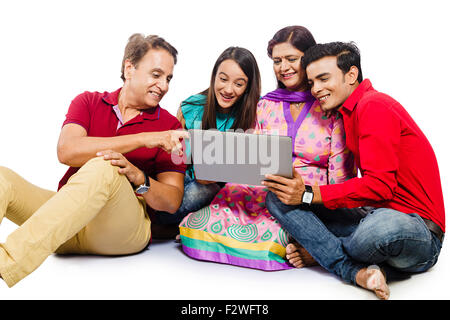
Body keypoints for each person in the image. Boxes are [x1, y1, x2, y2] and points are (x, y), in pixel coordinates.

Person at [0, 33, 189, 287]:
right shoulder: (88, 102)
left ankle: (7, 260)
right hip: (65, 224)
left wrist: (139, 177)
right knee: (2, 178)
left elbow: (173, 201)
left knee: (106, 166)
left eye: (168, 78)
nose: (164, 85)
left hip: (119, 231)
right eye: (156, 75)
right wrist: (144, 138)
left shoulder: (170, 126)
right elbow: (67, 151)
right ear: (129, 68)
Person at [264, 42, 445, 300]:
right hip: (373, 214)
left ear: (351, 75)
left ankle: (326, 254)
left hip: (417, 233)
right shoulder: (348, 113)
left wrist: (308, 195)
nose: (315, 89)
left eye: (323, 79)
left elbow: (379, 186)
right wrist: (299, 192)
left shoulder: (373, 105)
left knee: (377, 229)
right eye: (312, 81)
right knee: (278, 195)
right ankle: (358, 270)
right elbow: (367, 195)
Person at [179, 26, 356, 270]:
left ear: (310, 59)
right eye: (277, 61)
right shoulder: (266, 105)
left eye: (292, 59)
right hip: (261, 189)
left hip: (306, 196)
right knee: (197, 227)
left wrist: (318, 199)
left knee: (277, 233)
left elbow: (340, 177)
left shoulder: (329, 104)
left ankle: (315, 245)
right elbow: (250, 158)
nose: (284, 67)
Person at [152, 46, 261, 237]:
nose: (228, 89)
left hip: (214, 189)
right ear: (214, 76)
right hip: (182, 176)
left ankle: (173, 225)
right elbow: (175, 159)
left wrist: (219, 173)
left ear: (248, 86)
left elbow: (253, 168)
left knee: (204, 190)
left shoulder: (256, 114)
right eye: (223, 79)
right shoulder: (192, 106)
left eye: (239, 83)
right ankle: (162, 221)